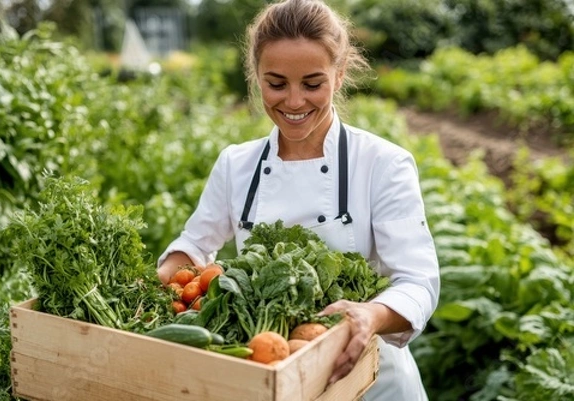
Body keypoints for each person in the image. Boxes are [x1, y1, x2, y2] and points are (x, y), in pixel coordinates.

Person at [157, 0, 440, 399]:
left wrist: (367, 316)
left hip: (371, 382)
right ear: (256, 78)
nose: (293, 102)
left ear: (339, 76)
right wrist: (162, 280)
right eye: (276, 84)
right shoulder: (237, 164)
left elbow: (418, 282)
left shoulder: (382, 164)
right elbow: (194, 245)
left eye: (312, 84)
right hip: (273, 379)